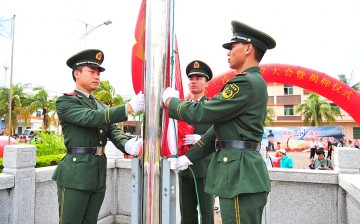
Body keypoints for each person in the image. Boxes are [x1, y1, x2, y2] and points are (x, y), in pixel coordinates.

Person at [163, 20, 276, 223]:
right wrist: (189, 158)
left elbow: (203, 112)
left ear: (248, 48)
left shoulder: (245, 82)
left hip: (239, 173)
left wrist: (170, 102)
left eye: (232, 46)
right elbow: (219, 131)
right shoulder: (251, 82)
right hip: (238, 171)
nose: (228, 52)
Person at [51, 49, 144, 224]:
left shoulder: (101, 106)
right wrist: (127, 108)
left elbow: (114, 132)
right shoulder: (67, 101)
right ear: (76, 74)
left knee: (90, 221)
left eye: (98, 73)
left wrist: (127, 144)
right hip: (75, 174)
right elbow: (90, 118)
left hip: (97, 173)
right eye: (91, 72)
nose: (97, 76)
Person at [178, 60, 214, 224]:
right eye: (191, 78)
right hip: (184, 168)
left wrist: (203, 139)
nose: (193, 81)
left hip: (204, 168)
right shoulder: (182, 107)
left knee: (206, 213)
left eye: (198, 78)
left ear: (206, 83)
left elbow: (220, 132)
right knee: (186, 212)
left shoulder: (213, 106)